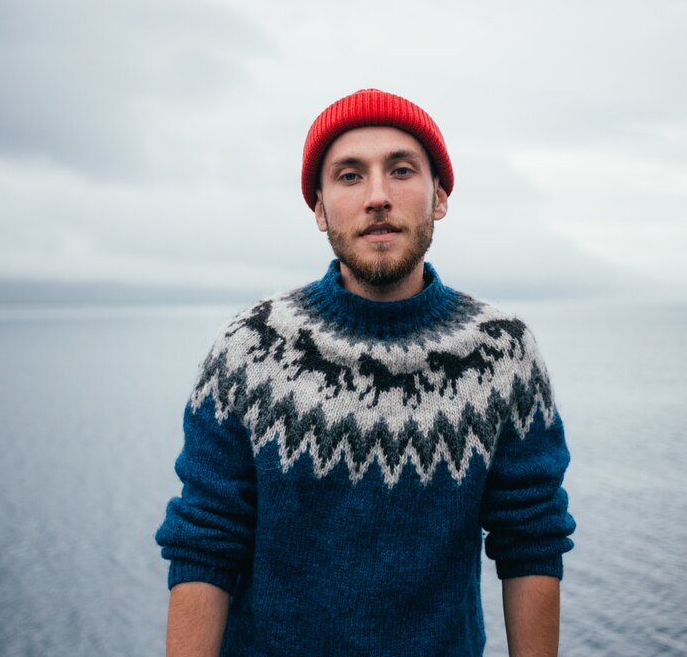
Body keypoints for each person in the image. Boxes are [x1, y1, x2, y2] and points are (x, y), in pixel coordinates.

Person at [156, 88, 575, 656]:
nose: (378, 196)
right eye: (350, 176)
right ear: (320, 209)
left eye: (401, 170)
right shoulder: (249, 352)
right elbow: (206, 541)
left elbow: (531, 536)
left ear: (440, 196)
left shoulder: (501, 355)